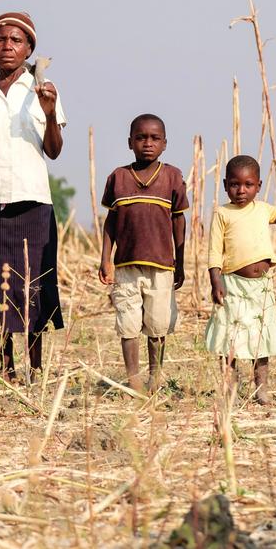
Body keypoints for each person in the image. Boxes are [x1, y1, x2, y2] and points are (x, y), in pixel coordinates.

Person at [0, 12, 66, 382]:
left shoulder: (42, 90)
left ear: (29, 49)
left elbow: (54, 151)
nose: (7, 46)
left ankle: (35, 369)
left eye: (16, 41)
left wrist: (50, 113)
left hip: (33, 203)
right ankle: (6, 368)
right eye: (0, 40)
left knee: (33, 286)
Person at [99, 114, 187, 393]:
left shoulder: (172, 176)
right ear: (130, 142)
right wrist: (105, 259)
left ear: (164, 144)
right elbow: (110, 223)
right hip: (126, 266)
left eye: (154, 138)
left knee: (159, 325)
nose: (147, 143)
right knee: (128, 324)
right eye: (141, 138)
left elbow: (178, 221)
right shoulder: (119, 177)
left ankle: (156, 379)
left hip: (162, 266)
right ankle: (134, 381)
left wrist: (180, 262)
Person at [205, 155, 276, 405]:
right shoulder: (222, 213)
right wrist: (215, 281)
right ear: (224, 185)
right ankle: (230, 389)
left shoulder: (263, 209)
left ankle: (260, 390)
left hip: (261, 287)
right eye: (234, 184)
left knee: (260, 338)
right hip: (232, 285)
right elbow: (213, 251)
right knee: (230, 338)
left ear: (259, 185)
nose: (241, 190)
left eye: (248, 185)